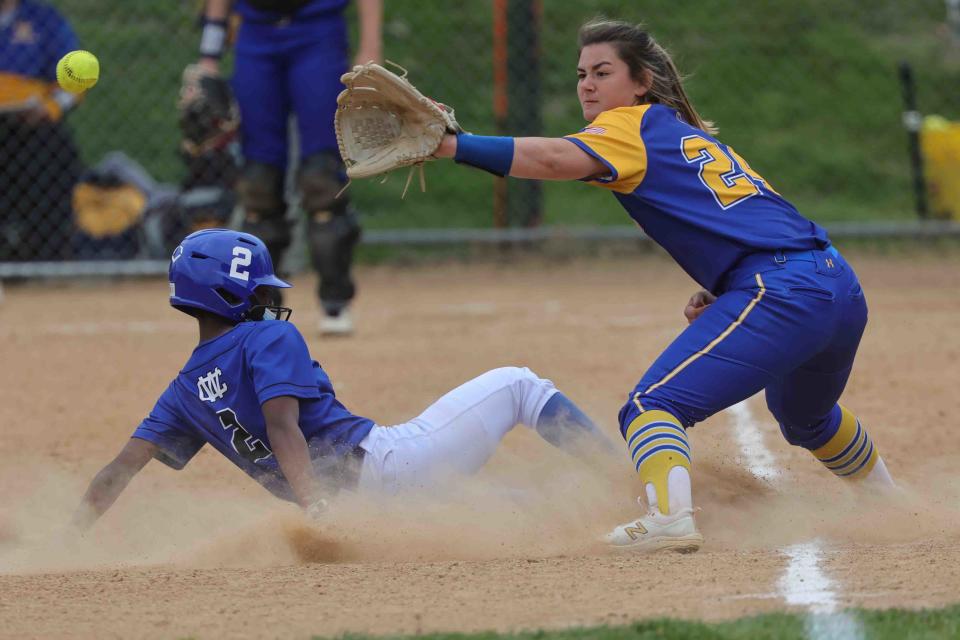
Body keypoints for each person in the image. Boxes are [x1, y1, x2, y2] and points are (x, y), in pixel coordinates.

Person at [431, 19, 895, 553]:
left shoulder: (630, 126)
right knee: (805, 416)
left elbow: (554, 158)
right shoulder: (685, 136)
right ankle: (889, 502)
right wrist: (730, 285)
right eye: (581, 74)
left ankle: (669, 517)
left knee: (651, 406)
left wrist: (453, 146)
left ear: (641, 82)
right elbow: (760, 219)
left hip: (786, 289)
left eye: (603, 72)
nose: (587, 84)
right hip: (834, 282)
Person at [73, 228, 614, 530]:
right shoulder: (267, 338)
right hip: (386, 466)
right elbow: (281, 425)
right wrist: (315, 507)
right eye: (260, 291)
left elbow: (118, 471)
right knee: (518, 385)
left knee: (509, 505)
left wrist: (70, 537)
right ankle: (628, 481)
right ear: (229, 294)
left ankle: (600, 511)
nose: (269, 300)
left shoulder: (182, 392)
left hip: (368, 514)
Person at [195, 0, 383, 336]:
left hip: (317, 29)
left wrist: (370, 46)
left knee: (320, 176)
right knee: (258, 182)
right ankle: (262, 307)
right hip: (255, 33)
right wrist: (209, 55)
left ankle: (334, 301)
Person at [0, 0, 83, 261]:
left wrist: (50, 107)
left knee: (56, 151)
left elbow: (75, 81)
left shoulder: (43, 19)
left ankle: (45, 258)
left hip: (29, 128)